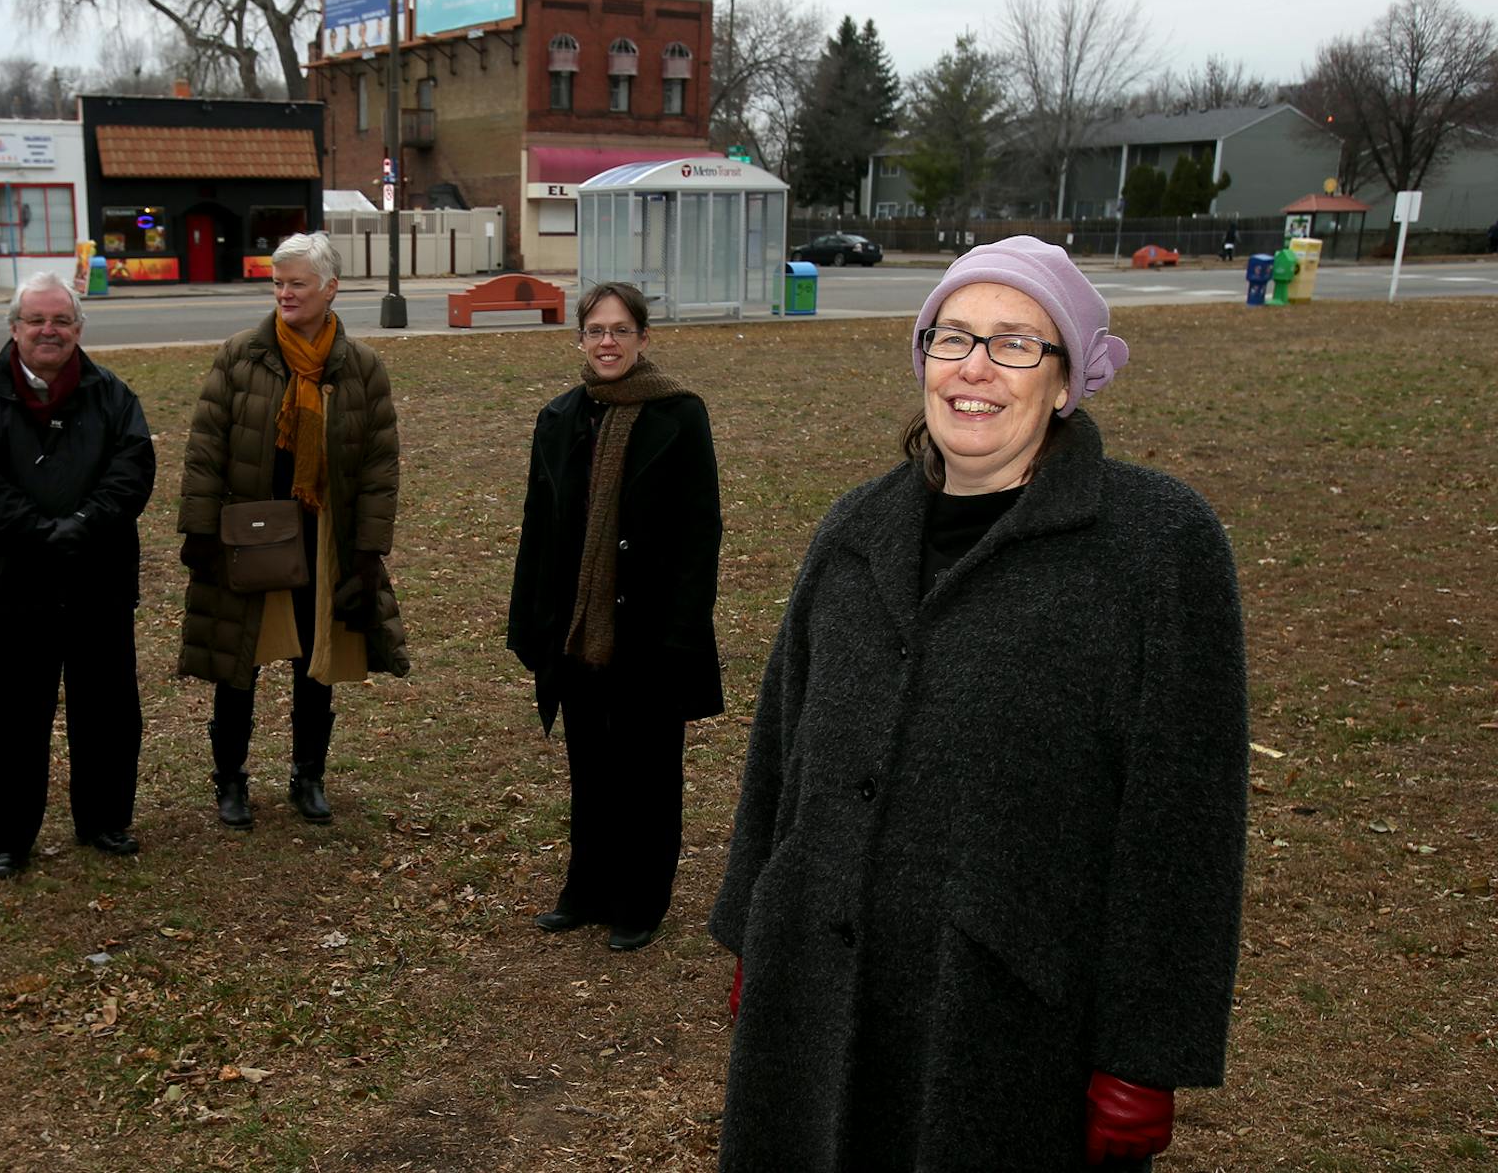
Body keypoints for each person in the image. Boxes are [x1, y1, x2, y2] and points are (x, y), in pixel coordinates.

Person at [709, 236, 1248, 1170]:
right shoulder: (855, 530)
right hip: (818, 995)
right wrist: (756, 932)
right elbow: (780, 752)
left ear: (1067, 380)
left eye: (1016, 344)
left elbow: (1185, 826)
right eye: (952, 337)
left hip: (1009, 1022)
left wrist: (1145, 1053)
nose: (975, 368)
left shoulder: (1156, 547)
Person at [507, 281, 722, 953]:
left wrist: (683, 633)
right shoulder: (560, 417)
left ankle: (640, 900)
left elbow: (700, 532)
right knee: (591, 765)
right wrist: (529, 622)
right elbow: (538, 527)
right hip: (577, 627)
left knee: (648, 772)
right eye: (596, 330)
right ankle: (587, 890)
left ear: (643, 338)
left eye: (621, 330)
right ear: (580, 339)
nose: (608, 342)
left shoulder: (679, 415)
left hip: (649, 628)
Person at [177, 232, 407, 829]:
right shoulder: (241, 356)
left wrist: (368, 550)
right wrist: (200, 532)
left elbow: (380, 466)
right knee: (239, 659)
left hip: (323, 538)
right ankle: (231, 780)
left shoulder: (361, 367)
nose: (284, 294)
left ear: (330, 289)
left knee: (315, 661)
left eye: (297, 283)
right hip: (248, 536)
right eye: (278, 283)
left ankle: (309, 777)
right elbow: (205, 447)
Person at [0, 269, 155, 875]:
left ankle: (105, 819)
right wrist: (42, 532)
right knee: (12, 716)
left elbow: (132, 473)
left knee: (107, 710)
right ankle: (9, 837)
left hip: (99, 581)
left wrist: (84, 524)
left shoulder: (113, 395)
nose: (49, 330)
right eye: (36, 319)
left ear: (79, 329)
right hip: (14, 584)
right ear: (14, 328)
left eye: (61, 320)